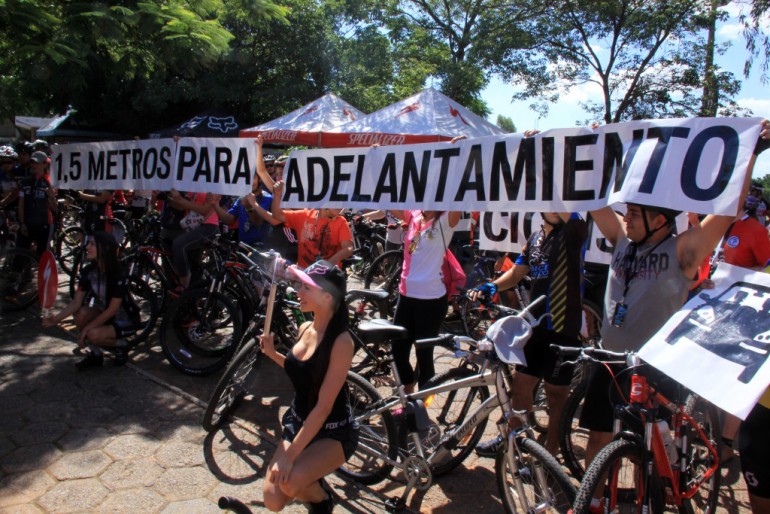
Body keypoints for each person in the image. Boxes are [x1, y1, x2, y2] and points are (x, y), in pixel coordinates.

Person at [580, 121, 767, 480]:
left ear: (661, 220)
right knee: (598, 438)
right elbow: (590, 198)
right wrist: (592, 145)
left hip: (654, 367)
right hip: (610, 359)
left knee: (648, 453)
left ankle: (651, 500)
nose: (626, 217)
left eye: (635, 213)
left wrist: (751, 153)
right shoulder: (622, 239)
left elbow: (728, 209)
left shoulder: (683, 250)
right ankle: (595, 502)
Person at [472, 212, 588, 457]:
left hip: (563, 328)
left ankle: (550, 454)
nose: (555, 209)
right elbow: (516, 273)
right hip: (535, 326)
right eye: (550, 205)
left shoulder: (572, 231)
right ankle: (514, 443)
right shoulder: (536, 238)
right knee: (521, 386)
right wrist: (492, 286)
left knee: (556, 396)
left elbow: (571, 215)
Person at [259, 260, 358, 513]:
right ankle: (311, 479)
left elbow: (323, 408)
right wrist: (272, 354)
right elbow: (302, 371)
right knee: (272, 500)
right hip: (299, 421)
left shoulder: (342, 342)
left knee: (290, 481)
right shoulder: (305, 327)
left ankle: (322, 501)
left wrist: (289, 457)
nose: (298, 292)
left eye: (306, 288)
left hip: (332, 430)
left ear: (327, 297)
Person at [43, 231, 140, 369]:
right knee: (81, 314)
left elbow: (112, 310)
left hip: (125, 318)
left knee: (92, 334)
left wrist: (85, 330)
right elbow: (76, 303)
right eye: (88, 243)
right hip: (104, 312)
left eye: (92, 244)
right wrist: (56, 319)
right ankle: (95, 354)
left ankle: (122, 344)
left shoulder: (119, 273)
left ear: (105, 248)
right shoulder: (89, 271)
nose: (87, 247)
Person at [389, 209, 462, 392]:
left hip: (431, 300)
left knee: (424, 355)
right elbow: (388, 201)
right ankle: (408, 394)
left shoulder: (446, 219)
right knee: (398, 350)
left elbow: (460, 200)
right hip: (406, 296)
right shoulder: (413, 215)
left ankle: (423, 403)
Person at [270, 181, 353, 268]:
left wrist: (327, 264)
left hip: (328, 274)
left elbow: (348, 248)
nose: (340, 205)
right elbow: (277, 214)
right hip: (303, 273)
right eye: (337, 201)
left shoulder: (341, 222)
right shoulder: (305, 216)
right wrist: (277, 195)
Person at [167, 189, 221, 290]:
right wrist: (168, 198)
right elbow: (182, 206)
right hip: (195, 226)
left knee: (179, 244)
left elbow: (205, 210)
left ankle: (183, 284)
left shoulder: (213, 186)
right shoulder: (194, 186)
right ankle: (192, 292)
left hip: (209, 226)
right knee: (193, 264)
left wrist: (181, 200)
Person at [17, 151, 57, 255]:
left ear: (45, 164)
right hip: (27, 223)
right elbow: (21, 204)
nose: (34, 165)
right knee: (19, 255)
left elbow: (54, 208)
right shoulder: (25, 182)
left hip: (44, 224)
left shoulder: (50, 182)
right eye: (32, 162)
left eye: (37, 163)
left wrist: (52, 197)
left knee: (42, 256)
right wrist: (22, 223)